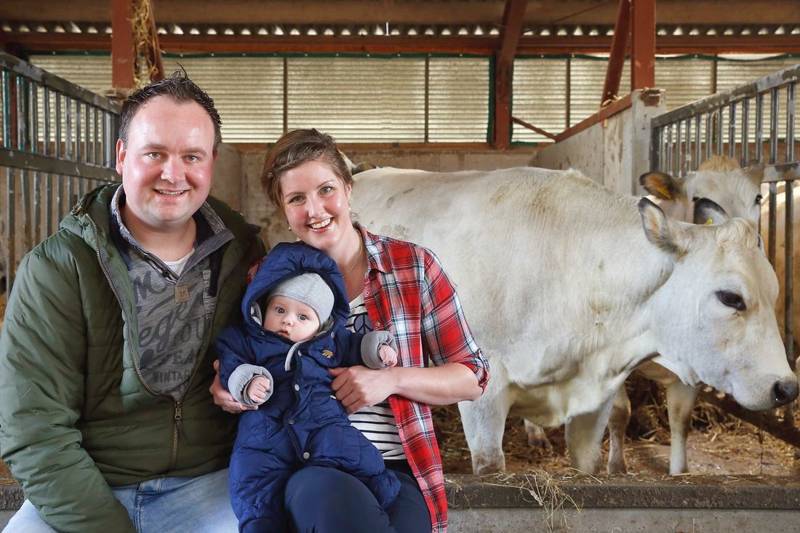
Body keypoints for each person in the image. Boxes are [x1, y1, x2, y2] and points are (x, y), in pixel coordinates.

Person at [0, 72, 264, 533]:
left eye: (191, 157)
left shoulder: (245, 254)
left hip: (211, 485)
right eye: (154, 153)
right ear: (122, 156)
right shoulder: (58, 268)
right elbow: (33, 429)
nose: (173, 173)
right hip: (86, 487)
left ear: (212, 162)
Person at [211, 128, 490, 533]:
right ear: (283, 210)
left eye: (326, 189)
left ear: (348, 188)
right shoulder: (265, 281)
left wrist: (390, 380)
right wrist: (230, 386)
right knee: (325, 493)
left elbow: (473, 377)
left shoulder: (413, 267)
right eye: (296, 199)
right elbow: (237, 358)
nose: (315, 209)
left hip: (396, 468)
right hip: (305, 464)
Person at [218, 241, 405, 532]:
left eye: (302, 317)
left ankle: (380, 489)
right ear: (262, 307)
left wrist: (379, 348)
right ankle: (261, 523)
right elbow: (230, 361)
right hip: (266, 432)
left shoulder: (330, 343)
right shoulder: (248, 339)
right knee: (250, 478)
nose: (287, 321)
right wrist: (247, 380)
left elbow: (359, 346)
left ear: (320, 326)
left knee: (362, 457)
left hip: (323, 425)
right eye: (279, 309)